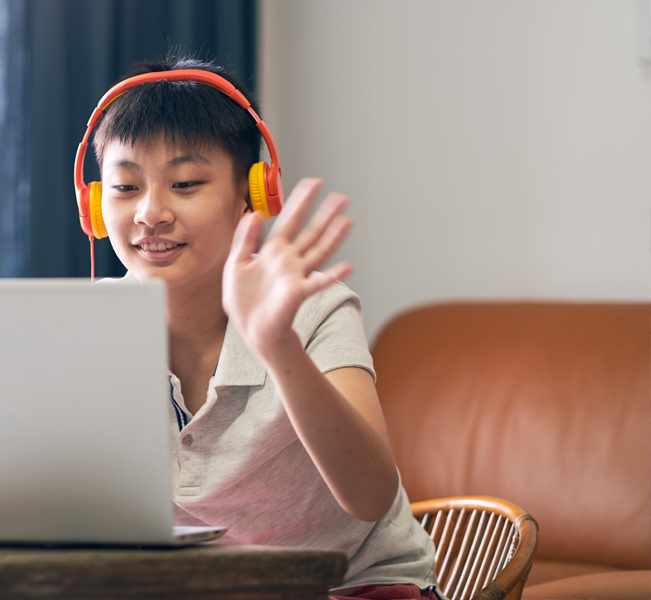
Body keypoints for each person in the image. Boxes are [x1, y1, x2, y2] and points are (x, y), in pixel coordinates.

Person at [85, 54, 441, 600]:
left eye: (185, 183)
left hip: (351, 586)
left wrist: (278, 346)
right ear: (94, 205)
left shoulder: (314, 307)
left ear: (252, 196)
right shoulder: (87, 325)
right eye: (125, 188)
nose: (150, 213)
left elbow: (370, 495)